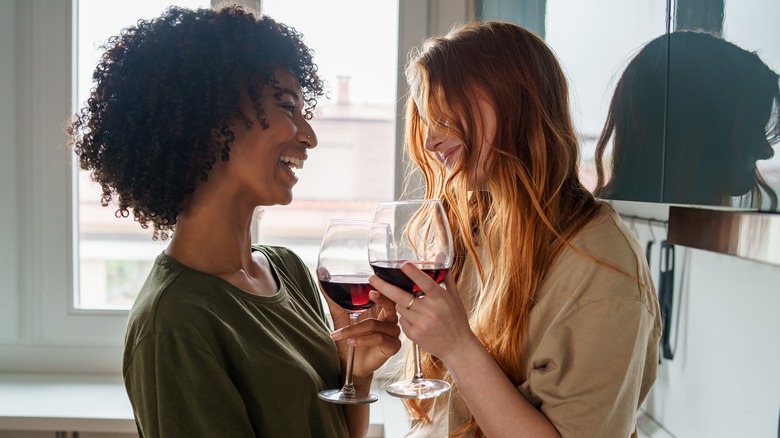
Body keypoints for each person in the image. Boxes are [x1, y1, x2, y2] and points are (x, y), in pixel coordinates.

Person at [68, 5, 401, 437]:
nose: (310, 136)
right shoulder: (172, 325)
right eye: (286, 106)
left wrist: (356, 373)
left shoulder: (287, 270)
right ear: (210, 119)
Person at [368, 21, 662, 437]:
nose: (431, 140)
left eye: (445, 109)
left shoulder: (603, 269)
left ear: (513, 99)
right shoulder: (471, 228)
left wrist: (456, 346)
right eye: (427, 116)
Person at [594, 31, 779, 210]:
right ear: (698, 132)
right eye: (751, 129)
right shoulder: (609, 233)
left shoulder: (610, 225)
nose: (767, 151)